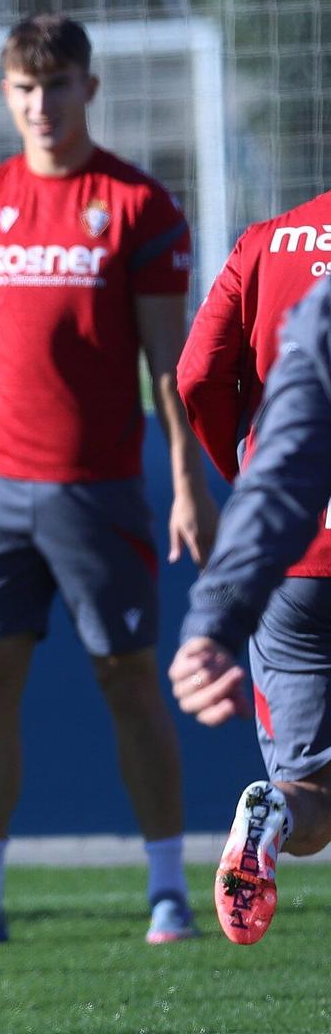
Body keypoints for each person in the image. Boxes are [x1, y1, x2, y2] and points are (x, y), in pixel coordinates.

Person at [0, 13, 217, 949]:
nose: (42, 105)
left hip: (97, 489)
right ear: (7, 94)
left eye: (58, 85)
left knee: (127, 677)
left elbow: (169, 365)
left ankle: (167, 888)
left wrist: (188, 481)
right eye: (26, 89)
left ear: (89, 89)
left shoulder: (138, 206)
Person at [172, 197, 331, 943]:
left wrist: (242, 481)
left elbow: (199, 375)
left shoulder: (272, 241)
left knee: (313, 793)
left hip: (297, 565)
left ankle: (277, 812)